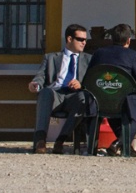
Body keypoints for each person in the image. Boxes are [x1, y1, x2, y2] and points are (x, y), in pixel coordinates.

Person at [29, 24, 91, 154]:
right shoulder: (51, 57)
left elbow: (92, 81)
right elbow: (40, 76)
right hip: (55, 94)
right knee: (45, 92)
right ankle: (40, 141)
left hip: (74, 95)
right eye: (80, 39)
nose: (84, 42)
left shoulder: (88, 59)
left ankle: (60, 141)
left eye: (85, 40)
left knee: (83, 98)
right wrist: (35, 84)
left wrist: (81, 84)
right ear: (69, 39)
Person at [89, 23, 136, 156]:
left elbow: (90, 76)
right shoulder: (132, 55)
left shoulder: (99, 53)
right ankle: (120, 143)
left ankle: (124, 146)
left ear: (112, 39)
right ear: (128, 41)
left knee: (115, 107)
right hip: (124, 100)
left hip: (102, 99)